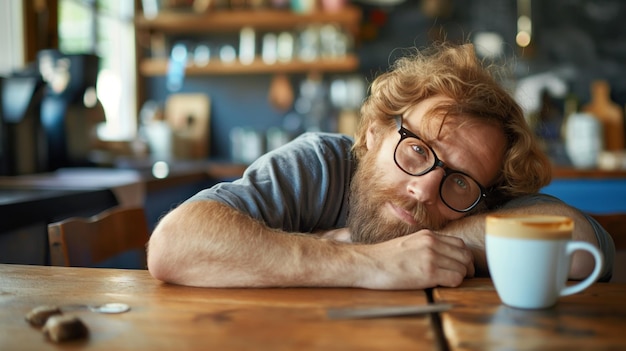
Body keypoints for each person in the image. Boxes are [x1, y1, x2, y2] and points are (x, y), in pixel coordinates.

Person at [147, 43, 615, 289]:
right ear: (373, 132)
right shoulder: (322, 165)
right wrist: (367, 263)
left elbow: (580, 244)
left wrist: (430, 248)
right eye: (416, 150)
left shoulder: (472, 204)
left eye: (458, 180)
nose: (426, 190)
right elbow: (174, 244)